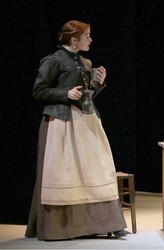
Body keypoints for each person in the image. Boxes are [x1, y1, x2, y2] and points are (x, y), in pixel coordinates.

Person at [25, 20, 128, 241]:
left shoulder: (85, 62)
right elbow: (38, 90)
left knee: (96, 171)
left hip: (86, 121)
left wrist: (98, 85)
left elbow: (86, 96)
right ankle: (61, 228)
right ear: (74, 40)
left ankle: (109, 223)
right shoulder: (53, 60)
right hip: (61, 123)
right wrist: (65, 94)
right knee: (64, 174)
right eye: (87, 36)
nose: (90, 40)